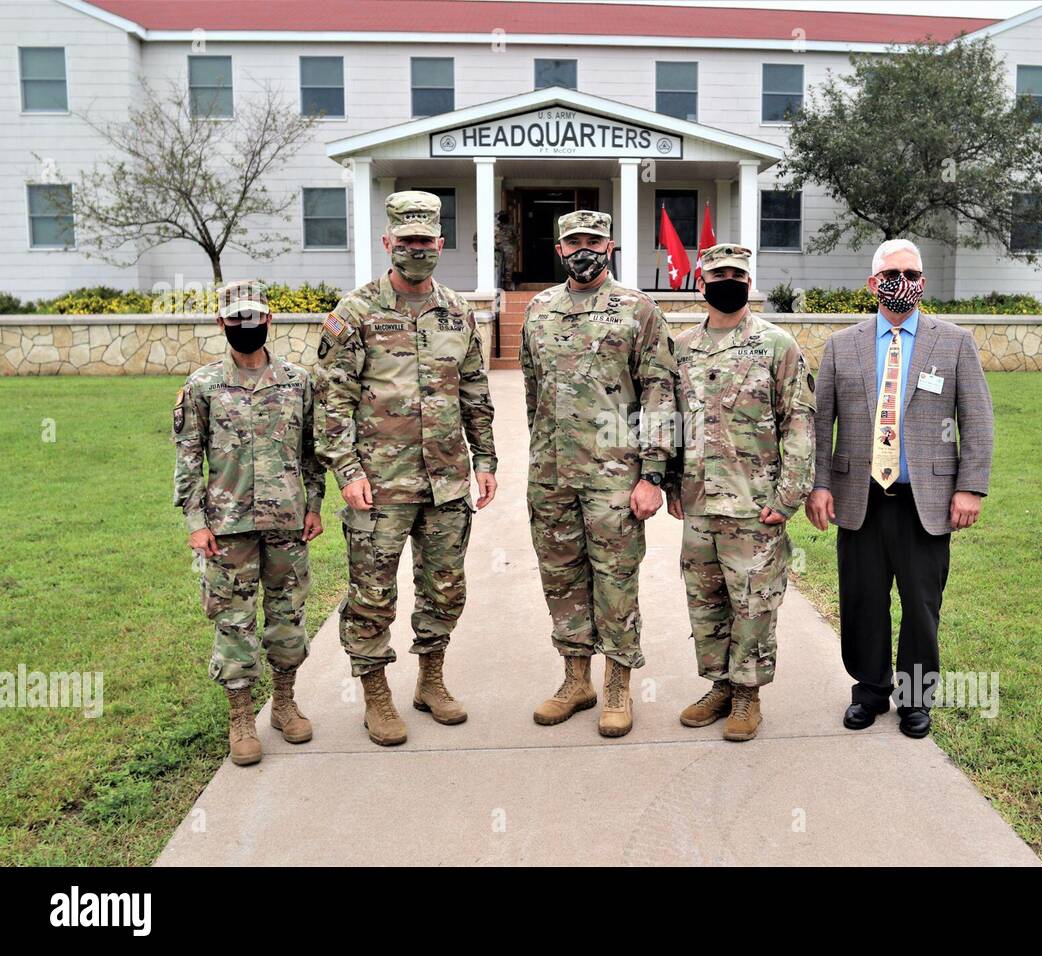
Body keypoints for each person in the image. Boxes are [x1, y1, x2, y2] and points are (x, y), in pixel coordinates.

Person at [315, 190, 497, 747]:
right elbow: (332, 400)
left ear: (441, 244)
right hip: (379, 485)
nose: (417, 250)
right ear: (388, 242)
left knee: (445, 589)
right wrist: (347, 471)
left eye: (426, 241)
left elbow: (474, 390)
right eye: (407, 241)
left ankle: (431, 680)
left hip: (446, 481)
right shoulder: (355, 315)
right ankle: (375, 695)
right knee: (372, 593)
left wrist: (485, 459)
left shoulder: (457, 312)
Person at [806, 238, 994, 739]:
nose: (902, 283)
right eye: (892, 274)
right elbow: (821, 423)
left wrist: (970, 487)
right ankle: (869, 690)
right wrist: (819, 484)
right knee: (863, 600)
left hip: (925, 502)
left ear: (923, 283)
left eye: (911, 274)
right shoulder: (841, 346)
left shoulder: (953, 342)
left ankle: (915, 699)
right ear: (873, 284)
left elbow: (976, 419)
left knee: (920, 603)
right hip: (859, 499)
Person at [519, 209, 676, 737]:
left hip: (615, 473)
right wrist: (539, 453)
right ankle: (575, 679)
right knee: (561, 577)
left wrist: (652, 474)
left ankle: (616, 684)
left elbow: (659, 390)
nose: (583, 249)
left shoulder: (638, 309)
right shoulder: (539, 309)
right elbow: (532, 391)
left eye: (594, 240)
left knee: (614, 580)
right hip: (552, 472)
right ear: (559, 249)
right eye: (573, 241)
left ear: (610, 246)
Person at [666, 244, 815, 741]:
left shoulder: (777, 345)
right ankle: (720, 685)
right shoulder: (681, 346)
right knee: (705, 600)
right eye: (717, 273)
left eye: (736, 273)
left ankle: (749, 694)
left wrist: (788, 496)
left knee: (753, 601)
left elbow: (798, 422)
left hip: (755, 503)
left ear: (749, 283)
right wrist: (669, 482)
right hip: (697, 500)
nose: (727, 280)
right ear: (700, 282)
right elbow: (667, 420)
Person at [173, 279, 324, 766]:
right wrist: (196, 521)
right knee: (233, 620)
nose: (246, 326)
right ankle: (241, 716)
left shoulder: (299, 382)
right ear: (221, 323)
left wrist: (314, 504)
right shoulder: (202, 386)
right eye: (236, 318)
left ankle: (283, 703)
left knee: (287, 616)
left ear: (269, 319)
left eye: (254, 317)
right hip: (227, 525)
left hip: (287, 522)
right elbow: (188, 457)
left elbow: (312, 453)